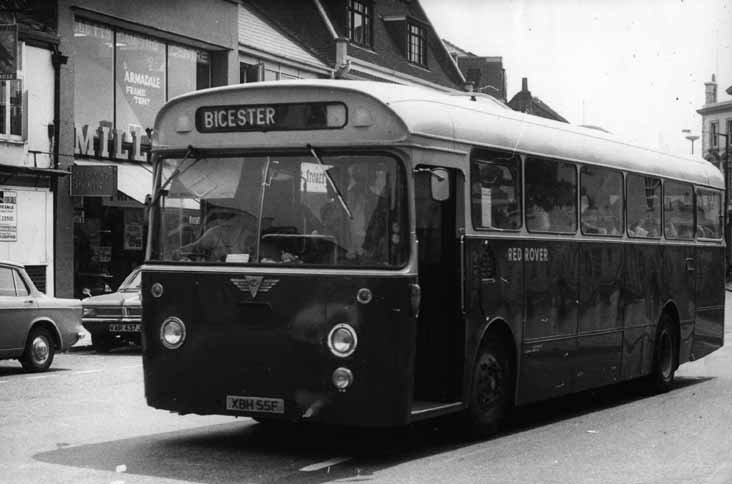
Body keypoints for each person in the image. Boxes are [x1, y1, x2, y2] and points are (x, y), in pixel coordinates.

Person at [176, 211, 255, 262]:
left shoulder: (247, 235)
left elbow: (257, 257)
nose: (225, 220)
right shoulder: (214, 233)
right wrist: (180, 251)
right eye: (222, 217)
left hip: (241, 272)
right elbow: (196, 246)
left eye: (228, 217)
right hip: (215, 272)